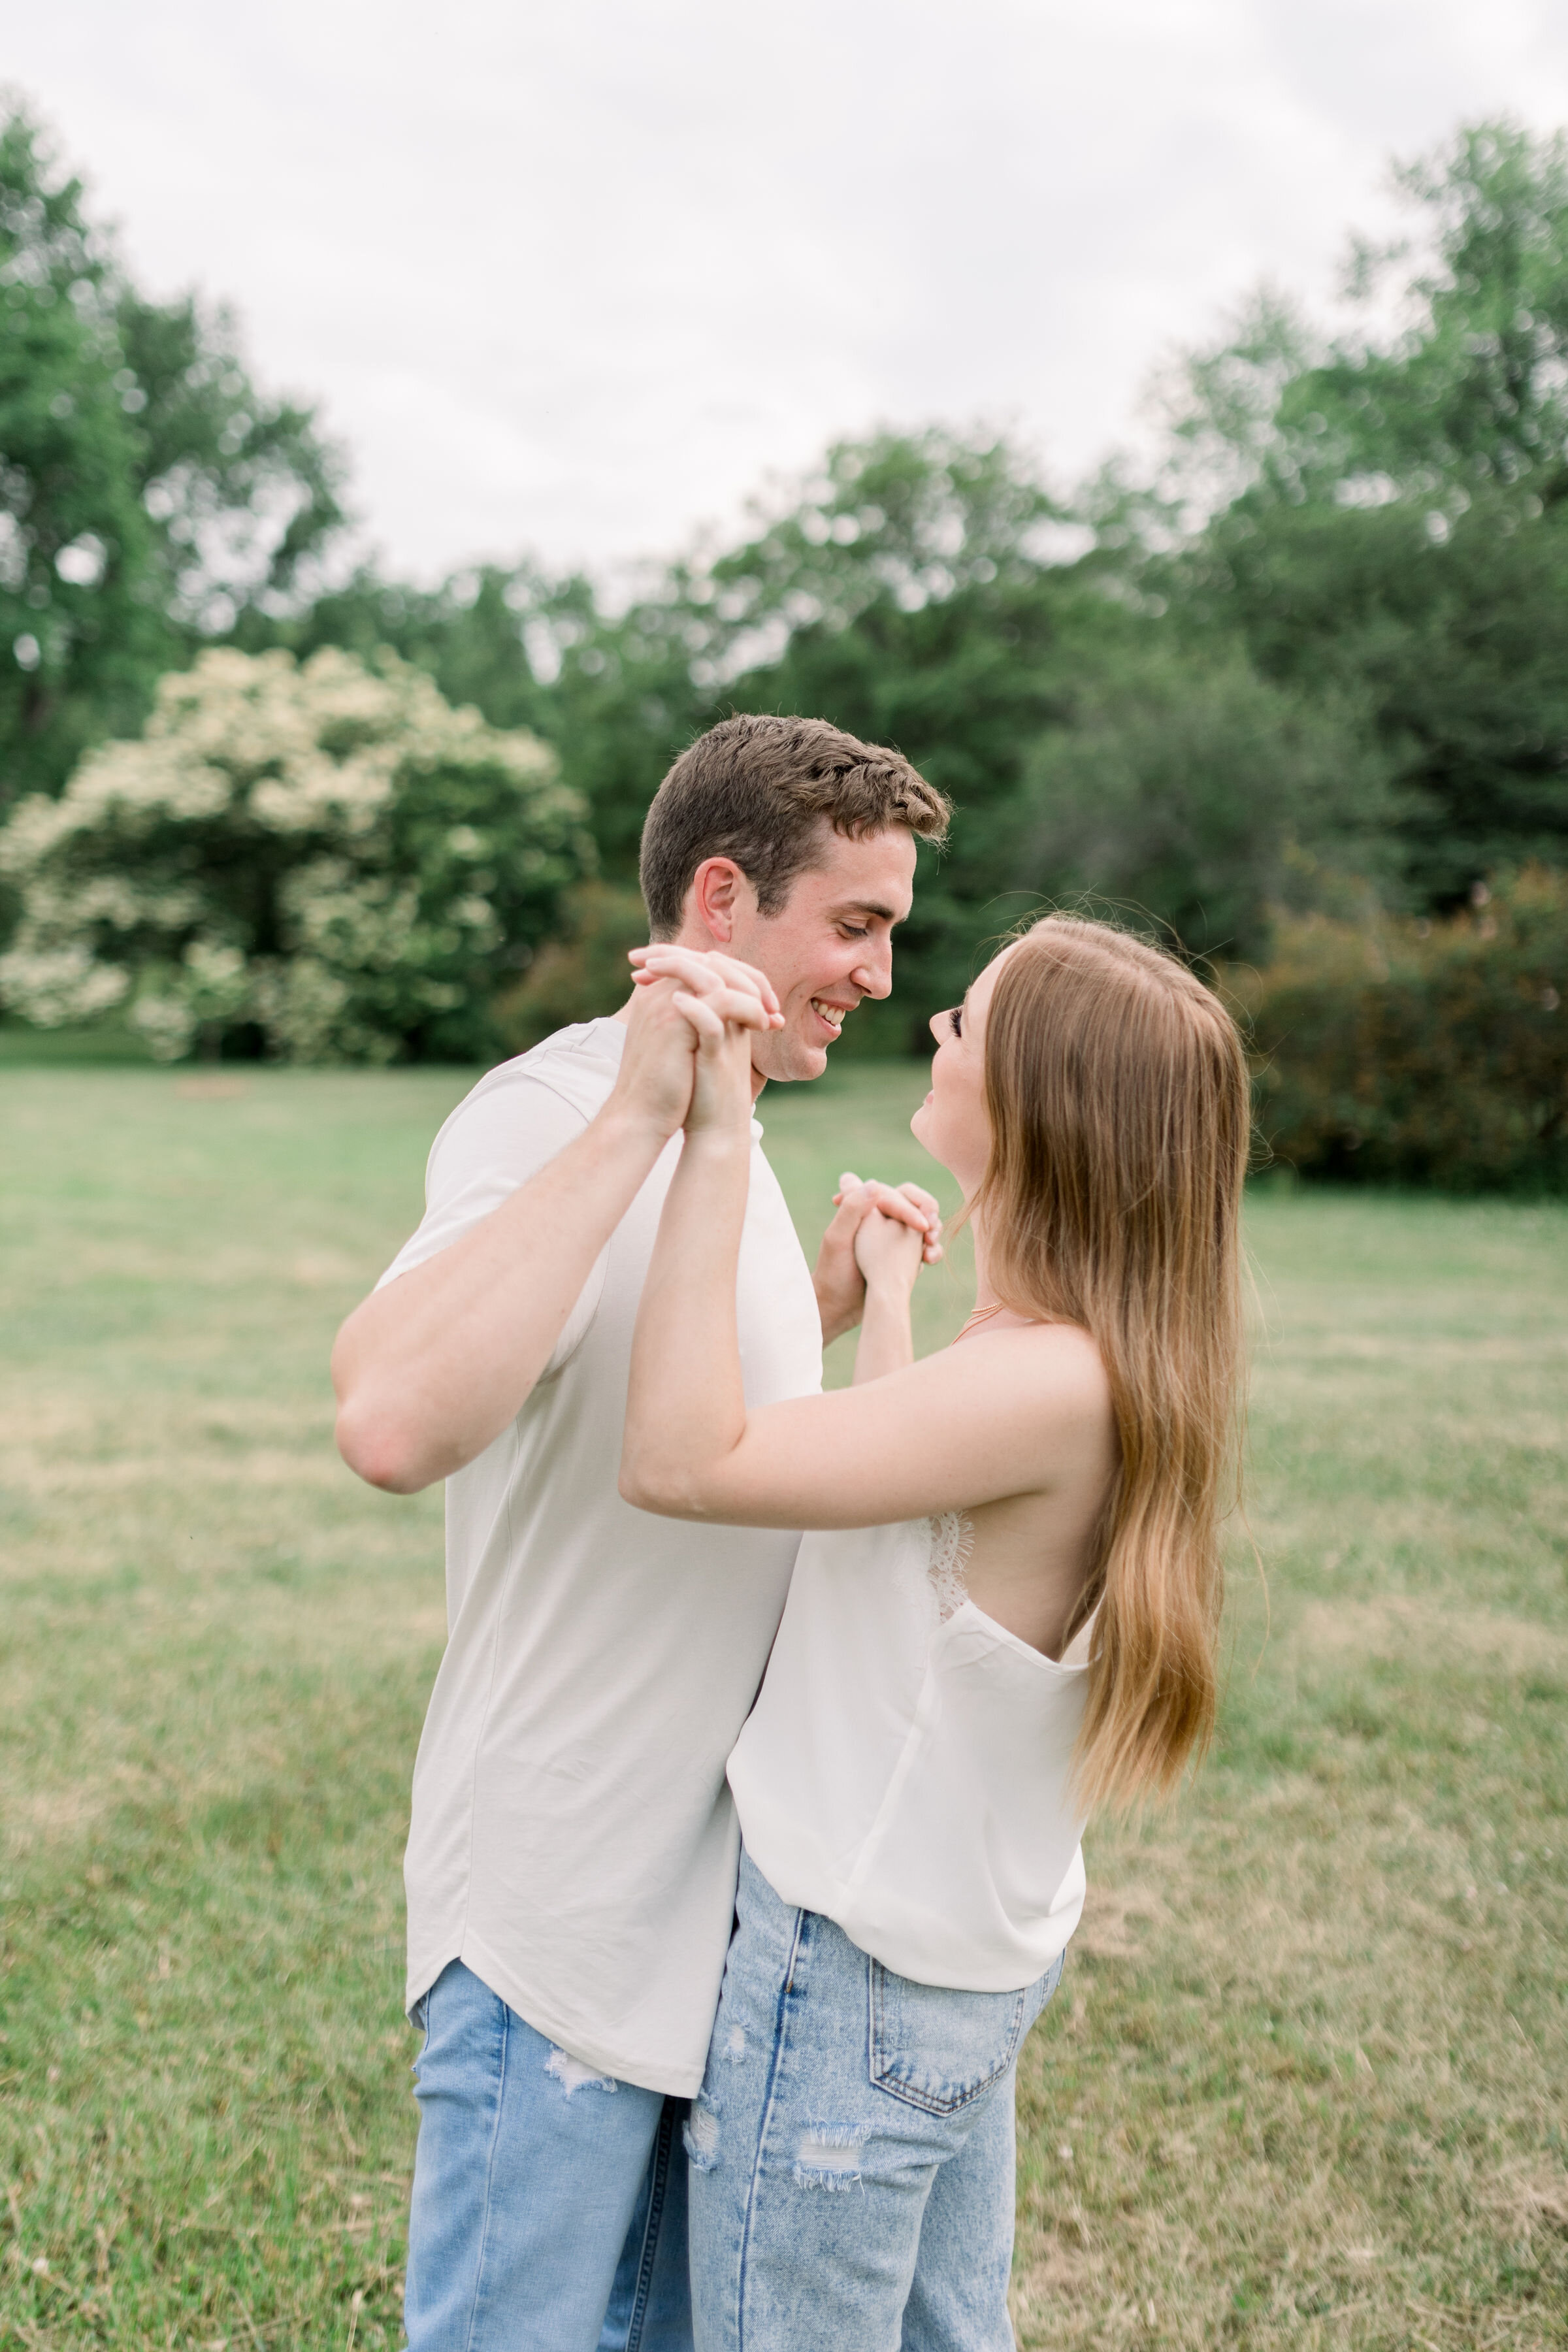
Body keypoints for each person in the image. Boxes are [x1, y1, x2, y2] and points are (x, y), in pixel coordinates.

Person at [329, 713, 951, 2352]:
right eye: (857, 926)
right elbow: (392, 1421)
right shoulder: (548, 1115)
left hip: (714, 1942)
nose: (879, 976)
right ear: (725, 901)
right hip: (558, 1918)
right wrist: (629, 1121)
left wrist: (815, 1310)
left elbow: (681, 1437)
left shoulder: (737, 1144)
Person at [619, 913, 1252, 2351]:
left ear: (1035, 1105)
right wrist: (892, 1305)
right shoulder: (1077, 1369)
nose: (933, 1029)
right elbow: (909, 1538)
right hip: (943, 1990)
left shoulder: (1044, 1386)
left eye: (966, 1023)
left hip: (845, 1989)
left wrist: (718, 1129)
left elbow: (678, 1459)